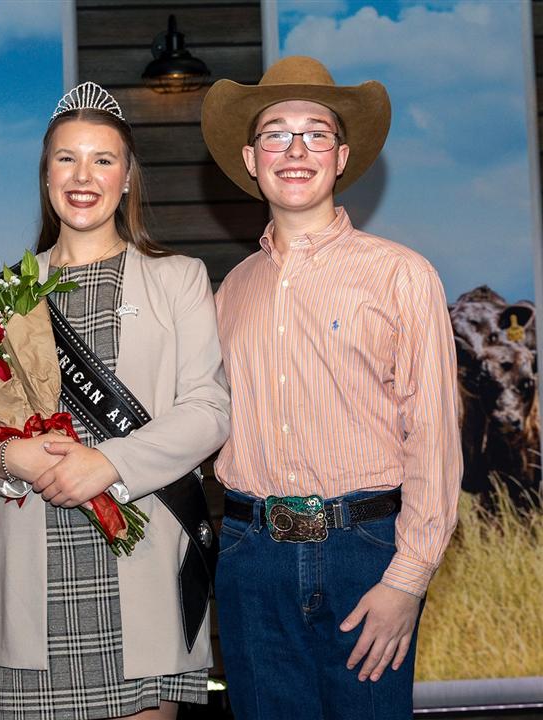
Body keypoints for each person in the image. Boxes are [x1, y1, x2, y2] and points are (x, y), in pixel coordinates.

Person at [201, 56, 461, 719]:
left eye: (315, 133)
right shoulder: (231, 293)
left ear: (341, 156)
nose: (296, 150)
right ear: (251, 159)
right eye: (275, 134)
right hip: (249, 555)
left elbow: (432, 434)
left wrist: (407, 578)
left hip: (363, 552)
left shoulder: (402, 276)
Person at [0, 83, 231, 720]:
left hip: (140, 565)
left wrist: (107, 464)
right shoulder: (7, 293)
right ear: (45, 174)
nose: (84, 177)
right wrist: (7, 460)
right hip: (36, 570)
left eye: (103, 160)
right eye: (66, 159)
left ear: (128, 177)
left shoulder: (178, 279)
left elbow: (209, 410)